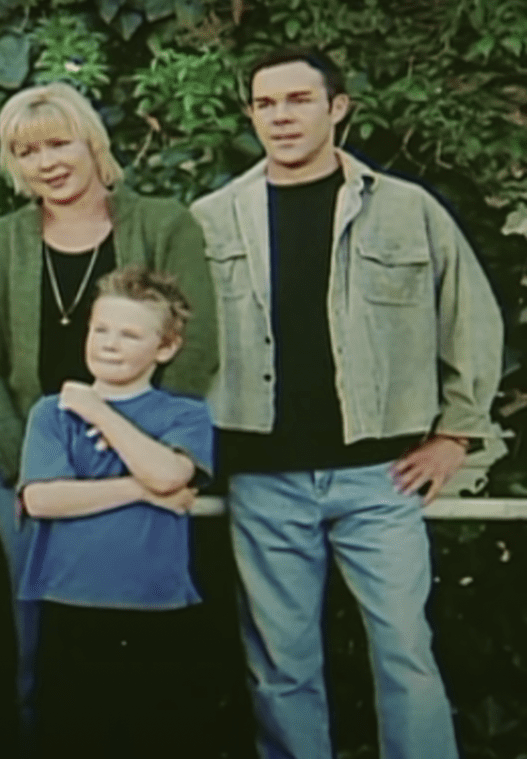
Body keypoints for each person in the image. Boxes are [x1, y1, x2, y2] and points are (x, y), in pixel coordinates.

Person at [190, 46, 501, 759]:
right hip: (262, 478)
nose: (280, 116)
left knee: (406, 653)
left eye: (298, 99)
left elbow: (471, 320)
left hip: (381, 477)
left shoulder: (407, 209)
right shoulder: (213, 219)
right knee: (280, 668)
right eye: (265, 104)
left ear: (338, 108)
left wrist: (456, 433)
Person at [0, 81, 218, 750]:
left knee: (145, 650)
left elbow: (198, 344)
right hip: (42, 461)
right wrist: (25, 464)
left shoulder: (163, 223)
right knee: (38, 644)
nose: (45, 161)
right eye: (26, 150)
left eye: (58, 142)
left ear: (92, 141)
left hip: (149, 452)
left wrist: (154, 451)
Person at [17, 266, 214, 758]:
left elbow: (170, 475)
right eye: (100, 329)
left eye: (130, 334)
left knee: (148, 735)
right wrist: (139, 490)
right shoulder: (51, 412)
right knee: (71, 734)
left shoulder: (184, 414)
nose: (109, 344)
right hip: (70, 597)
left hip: (153, 602)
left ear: (165, 348)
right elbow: (42, 498)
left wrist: (100, 412)